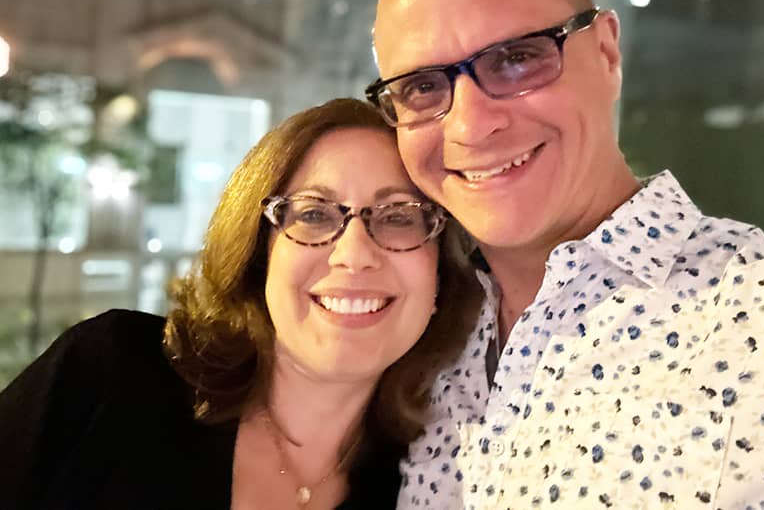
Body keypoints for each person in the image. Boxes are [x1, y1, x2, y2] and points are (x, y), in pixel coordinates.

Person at [365, 0, 764, 509]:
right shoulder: (409, 339)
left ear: (607, 52)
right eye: (421, 87)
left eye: (517, 57)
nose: (470, 125)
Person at [0, 98, 482, 510]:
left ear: (442, 273)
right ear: (258, 254)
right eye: (313, 214)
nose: (354, 254)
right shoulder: (110, 372)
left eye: (399, 216)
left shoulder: (432, 484)